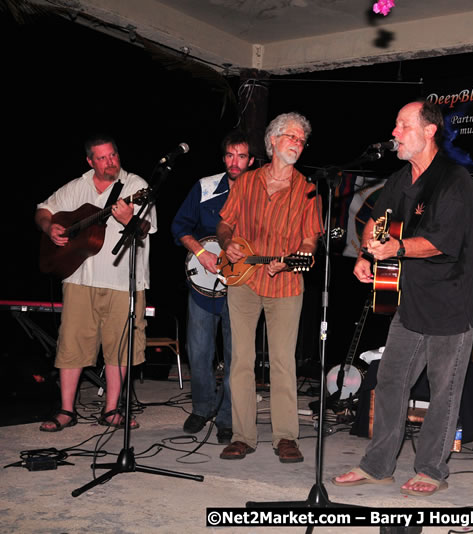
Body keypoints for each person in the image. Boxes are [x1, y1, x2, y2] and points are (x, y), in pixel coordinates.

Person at [333, 99, 473, 496]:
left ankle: (431, 469)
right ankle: (378, 465)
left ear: (429, 131)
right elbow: (377, 217)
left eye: (403, 125)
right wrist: (366, 252)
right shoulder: (401, 177)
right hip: (412, 296)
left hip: (454, 298)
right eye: (395, 124)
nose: (395, 132)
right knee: (389, 380)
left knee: (443, 389)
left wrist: (396, 248)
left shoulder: (453, 180)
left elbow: (442, 243)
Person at [216, 113, 321, 461]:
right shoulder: (246, 182)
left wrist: (293, 257)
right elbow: (224, 225)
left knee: (282, 362)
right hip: (243, 279)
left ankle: (285, 438)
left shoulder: (308, 190)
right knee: (241, 361)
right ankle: (242, 436)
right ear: (273, 140)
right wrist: (227, 242)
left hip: (287, 282)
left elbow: (310, 243)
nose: (297, 143)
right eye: (291, 136)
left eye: (301, 140)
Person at [36, 134, 157, 431]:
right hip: (79, 277)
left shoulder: (136, 186)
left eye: (113, 155)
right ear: (90, 161)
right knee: (71, 344)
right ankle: (66, 410)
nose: (110, 162)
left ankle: (112, 409)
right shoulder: (78, 186)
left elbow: (144, 228)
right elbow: (43, 209)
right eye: (102, 158)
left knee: (119, 347)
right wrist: (50, 226)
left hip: (123, 282)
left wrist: (128, 219)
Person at [171, 130, 254, 444]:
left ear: (251, 160)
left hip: (241, 286)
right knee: (200, 350)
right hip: (202, 286)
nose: (235, 162)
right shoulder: (205, 187)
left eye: (241, 156)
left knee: (237, 356)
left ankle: (227, 419)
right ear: (224, 158)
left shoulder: (260, 192)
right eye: (230, 156)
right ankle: (202, 407)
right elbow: (179, 226)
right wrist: (202, 253)